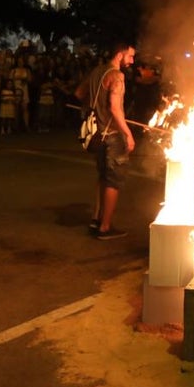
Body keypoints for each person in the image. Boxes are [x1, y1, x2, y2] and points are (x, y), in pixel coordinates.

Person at [76, 40, 137, 241]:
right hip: (111, 135)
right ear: (120, 54)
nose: (132, 61)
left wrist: (95, 108)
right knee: (113, 180)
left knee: (103, 176)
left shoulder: (97, 71)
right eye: (130, 56)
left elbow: (79, 93)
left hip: (97, 135)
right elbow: (115, 108)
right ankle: (105, 227)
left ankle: (96, 219)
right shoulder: (117, 76)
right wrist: (128, 133)